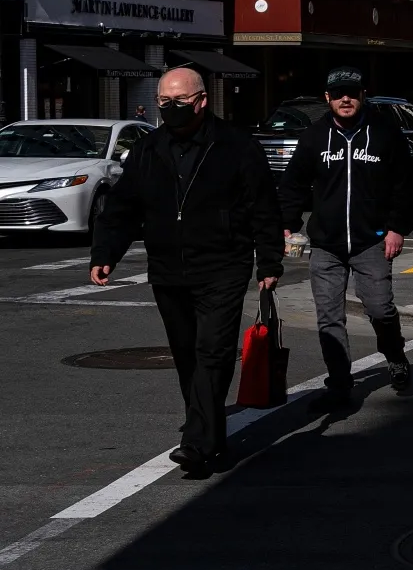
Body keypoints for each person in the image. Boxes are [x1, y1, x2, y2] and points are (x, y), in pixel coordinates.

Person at [90, 66, 283, 478]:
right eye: (163, 102)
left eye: (179, 101)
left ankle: (197, 442)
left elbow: (262, 205)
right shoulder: (148, 149)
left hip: (223, 265)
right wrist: (105, 253)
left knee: (211, 352)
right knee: (185, 355)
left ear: (201, 100)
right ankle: (208, 430)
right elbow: (123, 207)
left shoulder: (235, 145)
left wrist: (269, 260)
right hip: (167, 270)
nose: (170, 108)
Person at [278, 66, 413, 411]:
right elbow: (294, 184)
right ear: (327, 98)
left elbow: (405, 184)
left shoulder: (385, 132)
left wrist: (398, 227)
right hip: (326, 244)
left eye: (352, 93)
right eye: (338, 93)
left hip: (372, 240)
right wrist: (286, 223)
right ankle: (339, 384)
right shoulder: (314, 137)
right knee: (329, 317)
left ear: (362, 95)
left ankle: (395, 353)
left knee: (380, 308)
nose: (345, 99)